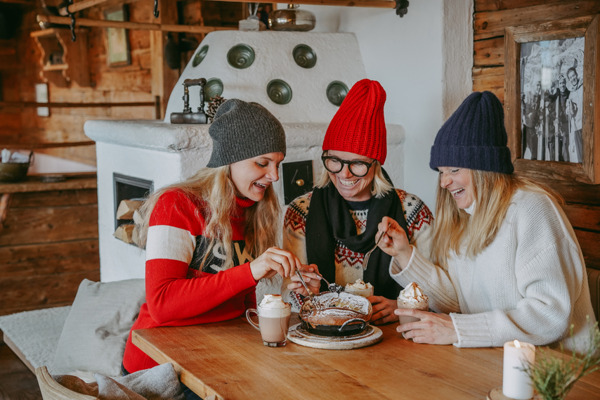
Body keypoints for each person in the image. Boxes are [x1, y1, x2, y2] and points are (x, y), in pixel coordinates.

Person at [376, 91, 596, 353]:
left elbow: (549, 314)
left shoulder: (532, 209)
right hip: (493, 359)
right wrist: (403, 253)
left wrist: (458, 329)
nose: (444, 182)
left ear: (485, 168)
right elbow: (455, 302)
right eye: (441, 172)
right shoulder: (465, 215)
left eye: (454, 170)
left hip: (562, 367)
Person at [122, 99, 301, 398]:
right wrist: (250, 271)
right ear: (229, 160)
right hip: (158, 371)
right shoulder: (177, 205)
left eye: (278, 164)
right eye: (263, 163)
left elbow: (238, 305)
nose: (275, 176)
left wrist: (290, 291)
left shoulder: (254, 212)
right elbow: (162, 304)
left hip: (214, 355)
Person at [282, 79, 433, 325]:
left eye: (358, 164)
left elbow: (437, 292)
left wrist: (400, 307)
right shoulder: (301, 212)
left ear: (376, 164)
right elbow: (288, 296)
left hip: (393, 335)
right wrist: (305, 293)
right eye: (334, 160)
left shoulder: (413, 212)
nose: (344, 174)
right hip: (325, 332)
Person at [546, 74, 570, 162]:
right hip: (553, 126)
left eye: (563, 83)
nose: (562, 85)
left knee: (564, 147)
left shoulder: (566, 94)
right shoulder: (554, 95)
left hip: (563, 125)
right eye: (560, 83)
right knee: (553, 148)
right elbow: (550, 100)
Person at [566, 67, 583, 163]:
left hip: (586, 125)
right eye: (570, 77)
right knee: (580, 157)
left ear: (576, 75)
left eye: (573, 75)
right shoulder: (571, 95)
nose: (573, 78)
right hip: (577, 127)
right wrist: (569, 109)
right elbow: (569, 112)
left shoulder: (583, 87)